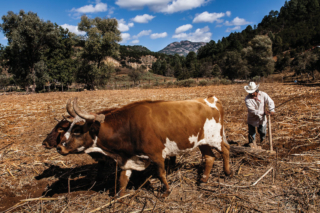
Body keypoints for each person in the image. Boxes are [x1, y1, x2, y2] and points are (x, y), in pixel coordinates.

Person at [244, 82, 275, 148]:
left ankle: (262, 141)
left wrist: (272, 110)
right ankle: (252, 146)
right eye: (250, 92)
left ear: (256, 90)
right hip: (252, 118)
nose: (251, 94)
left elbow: (270, 102)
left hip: (262, 119)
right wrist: (263, 112)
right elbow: (252, 110)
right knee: (252, 134)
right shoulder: (247, 99)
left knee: (262, 132)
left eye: (253, 92)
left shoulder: (263, 95)